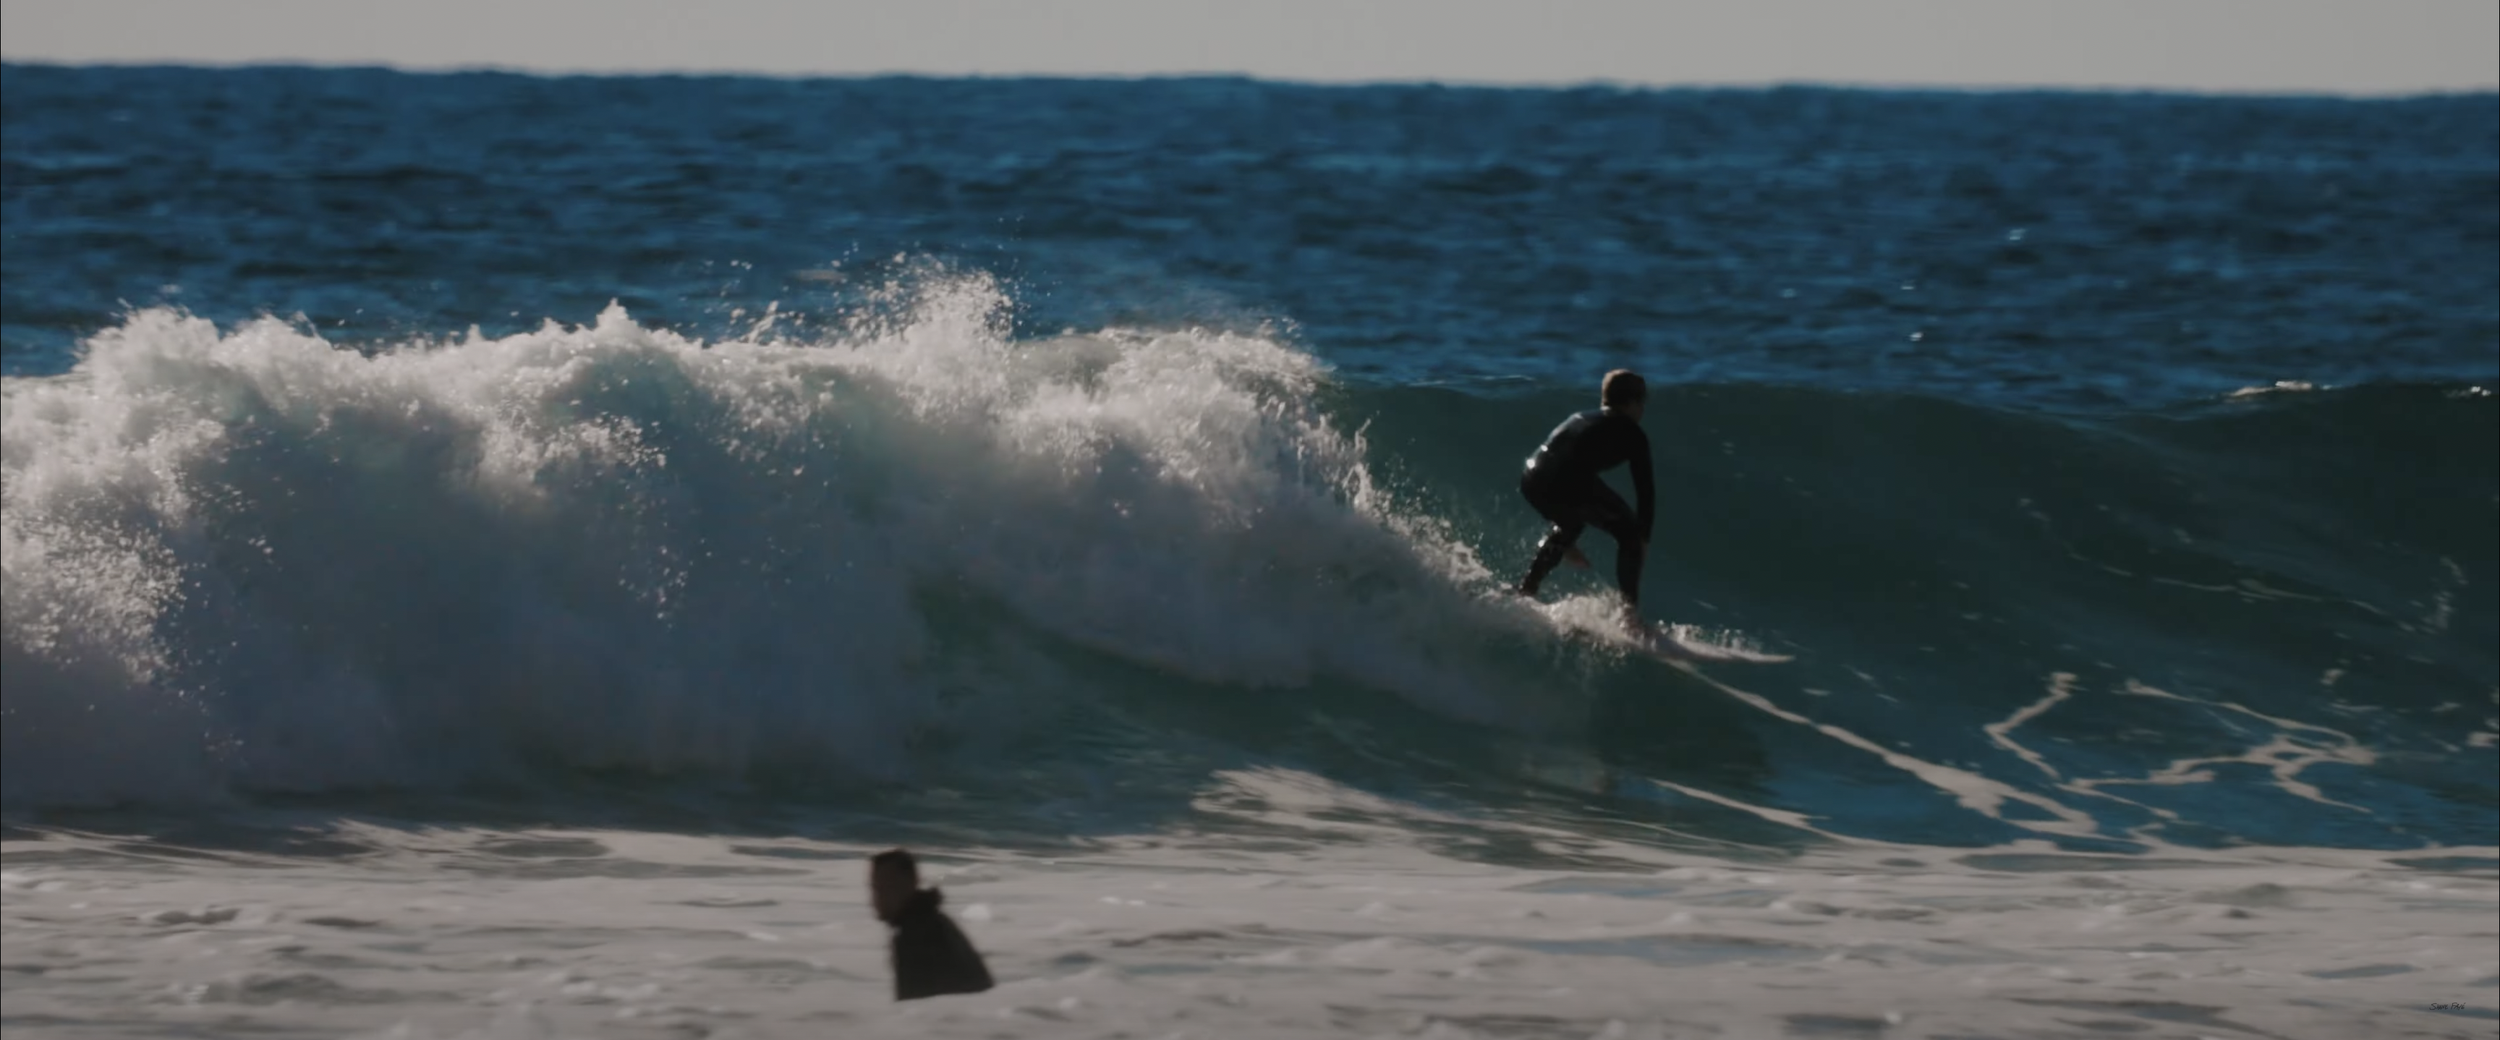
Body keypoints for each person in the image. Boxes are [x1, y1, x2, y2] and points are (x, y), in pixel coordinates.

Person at [1513, 369, 1655, 633]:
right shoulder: (1632, 433)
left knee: (1571, 523)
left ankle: (1526, 590)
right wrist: (1642, 540)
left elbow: (1556, 461)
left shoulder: (1580, 417)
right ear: (1633, 402)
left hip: (1531, 477)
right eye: (1643, 401)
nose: (1644, 408)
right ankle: (1630, 618)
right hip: (1566, 481)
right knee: (1628, 532)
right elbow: (1645, 491)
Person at [868, 848, 995, 1001]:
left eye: (888, 888)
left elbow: (916, 1008)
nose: (878, 899)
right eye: (876, 889)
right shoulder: (932, 920)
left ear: (911, 884)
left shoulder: (916, 935)